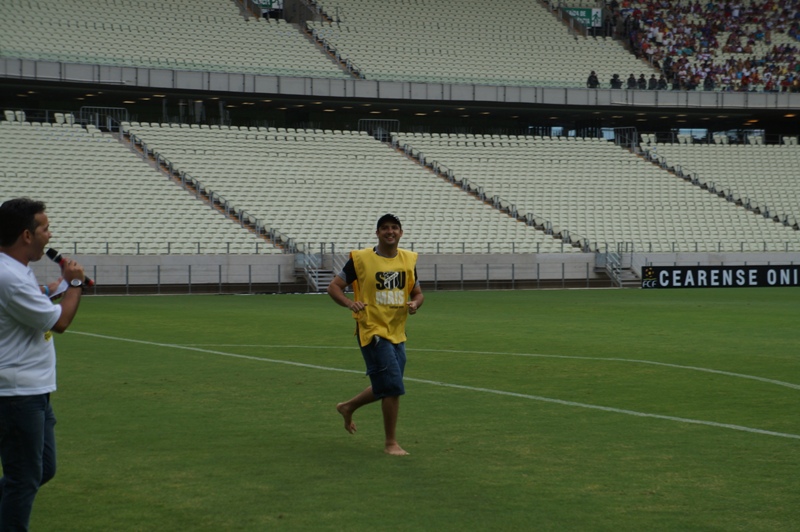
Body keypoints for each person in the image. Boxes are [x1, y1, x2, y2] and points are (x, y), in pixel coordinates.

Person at [0, 198, 86, 531]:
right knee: (23, 479)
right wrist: (75, 285)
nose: (49, 235)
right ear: (25, 234)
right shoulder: (11, 277)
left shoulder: (16, 270)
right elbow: (60, 323)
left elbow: (28, 296)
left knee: (42, 469)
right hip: (17, 393)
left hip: (33, 388)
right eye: (45, 228)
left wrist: (53, 288)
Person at [327, 214, 424, 456]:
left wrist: (415, 304)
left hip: (397, 331)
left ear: (401, 232)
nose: (390, 232)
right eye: (384, 229)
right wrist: (350, 304)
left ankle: (347, 406)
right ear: (377, 233)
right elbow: (334, 287)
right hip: (372, 330)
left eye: (394, 228)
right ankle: (391, 443)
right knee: (392, 387)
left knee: (388, 384)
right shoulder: (361, 259)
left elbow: (418, 293)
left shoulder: (408, 260)